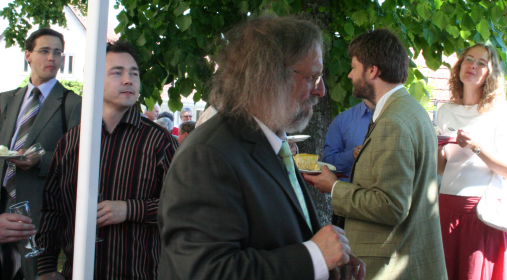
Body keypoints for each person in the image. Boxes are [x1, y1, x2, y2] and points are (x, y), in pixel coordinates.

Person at [158, 16, 363, 280]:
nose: (321, 90)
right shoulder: (207, 156)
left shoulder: (270, 145)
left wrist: (330, 266)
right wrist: (314, 256)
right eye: (312, 77)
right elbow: (205, 271)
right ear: (268, 77)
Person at [305, 29, 447, 279]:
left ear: (372, 71)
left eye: (354, 67)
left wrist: (334, 187)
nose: (350, 75)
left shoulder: (393, 122)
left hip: (391, 265)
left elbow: (391, 206)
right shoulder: (411, 110)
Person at [36, 41, 178, 280]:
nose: (128, 80)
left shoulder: (159, 141)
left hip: (139, 274)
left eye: (134, 73)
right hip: (77, 274)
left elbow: (183, 206)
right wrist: (46, 267)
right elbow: (53, 209)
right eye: (117, 72)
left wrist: (130, 209)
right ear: (94, 80)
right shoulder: (72, 141)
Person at [0, 28, 81, 280]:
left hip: (40, 214)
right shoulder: (5, 101)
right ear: (28, 55)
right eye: (44, 51)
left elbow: (78, 159)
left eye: (58, 52)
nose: (52, 58)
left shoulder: (72, 104)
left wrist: (42, 160)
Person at [436, 43, 507, 280]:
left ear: (490, 74)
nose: (473, 66)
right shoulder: (445, 111)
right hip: (446, 206)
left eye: (481, 63)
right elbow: (442, 169)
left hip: (481, 211)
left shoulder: (501, 111)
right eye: (469, 59)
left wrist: (476, 147)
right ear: (459, 65)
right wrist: (437, 150)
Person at [322, 100, 374, 180]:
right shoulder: (342, 120)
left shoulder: (395, 115)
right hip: (350, 187)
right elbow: (328, 163)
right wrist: (352, 155)